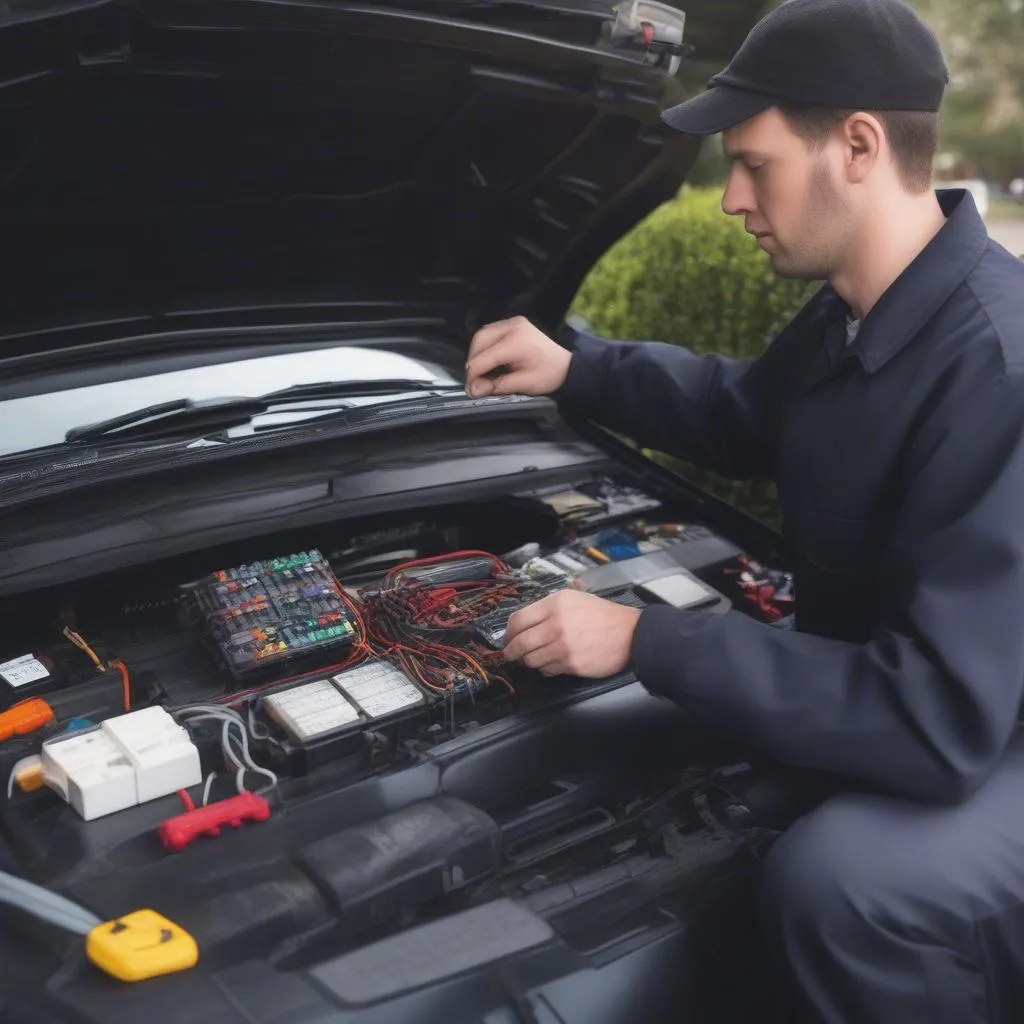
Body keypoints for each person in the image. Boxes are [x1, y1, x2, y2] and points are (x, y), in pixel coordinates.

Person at [464, 0, 1024, 1020]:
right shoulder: (864, 315)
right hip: (928, 698)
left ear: (856, 146)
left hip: (990, 733)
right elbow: (742, 416)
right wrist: (574, 365)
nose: (730, 199)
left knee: (851, 884)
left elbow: (939, 719)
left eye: (753, 163)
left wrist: (649, 638)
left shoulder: (995, 367)